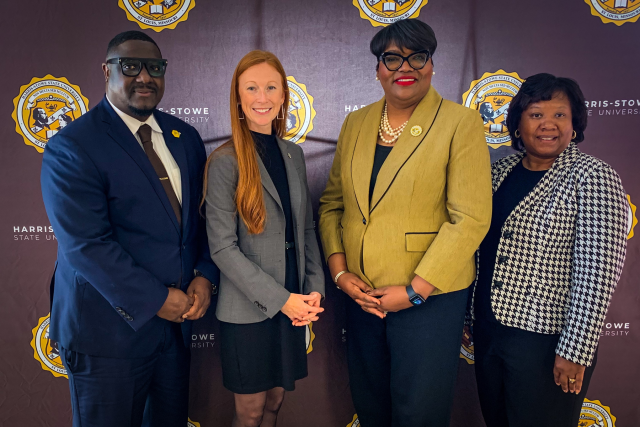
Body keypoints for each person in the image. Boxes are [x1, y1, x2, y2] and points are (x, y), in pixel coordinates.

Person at [318, 19, 492, 427]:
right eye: (391, 58)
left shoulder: (459, 123)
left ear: (431, 64)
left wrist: (415, 292)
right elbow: (331, 206)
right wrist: (341, 274)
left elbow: (469, 219)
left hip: (428, 300)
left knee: (420, 413)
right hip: (363, 298)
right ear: (378, 67)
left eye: (417, 56)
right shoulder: (356, 123)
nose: (404, 67)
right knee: (371, 405)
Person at [40, 30, 219, 427]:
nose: (144, 77)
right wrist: (157, 298)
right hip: (106, 337)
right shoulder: (73, 146)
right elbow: (86, 245)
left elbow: (202, 222)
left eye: (154, 68)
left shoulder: (184, 138)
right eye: (130, 66)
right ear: (107, 71)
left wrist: (205, 275)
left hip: (174, 335)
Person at [470, 73, 628, 427]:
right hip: (490, 332)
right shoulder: (499, 172)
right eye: (536, 114)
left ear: (574, 125)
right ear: (518, 123)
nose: (548, 125)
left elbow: (597, 274)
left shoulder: (593, 177)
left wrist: (575, 350)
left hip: (547, 343)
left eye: (560, 115)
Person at [203, 50, 325, 427]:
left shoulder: (293, 154)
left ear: (284, 95)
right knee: (251, 412)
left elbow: (305, 227)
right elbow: (222, 248)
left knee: (275, 404)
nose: (262, 97)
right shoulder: (225, 161)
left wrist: (314, 288)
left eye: (271, 87)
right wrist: (282, 300)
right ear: (238, 98)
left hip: (293, 301)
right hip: (249, 311)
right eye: (251, 88)